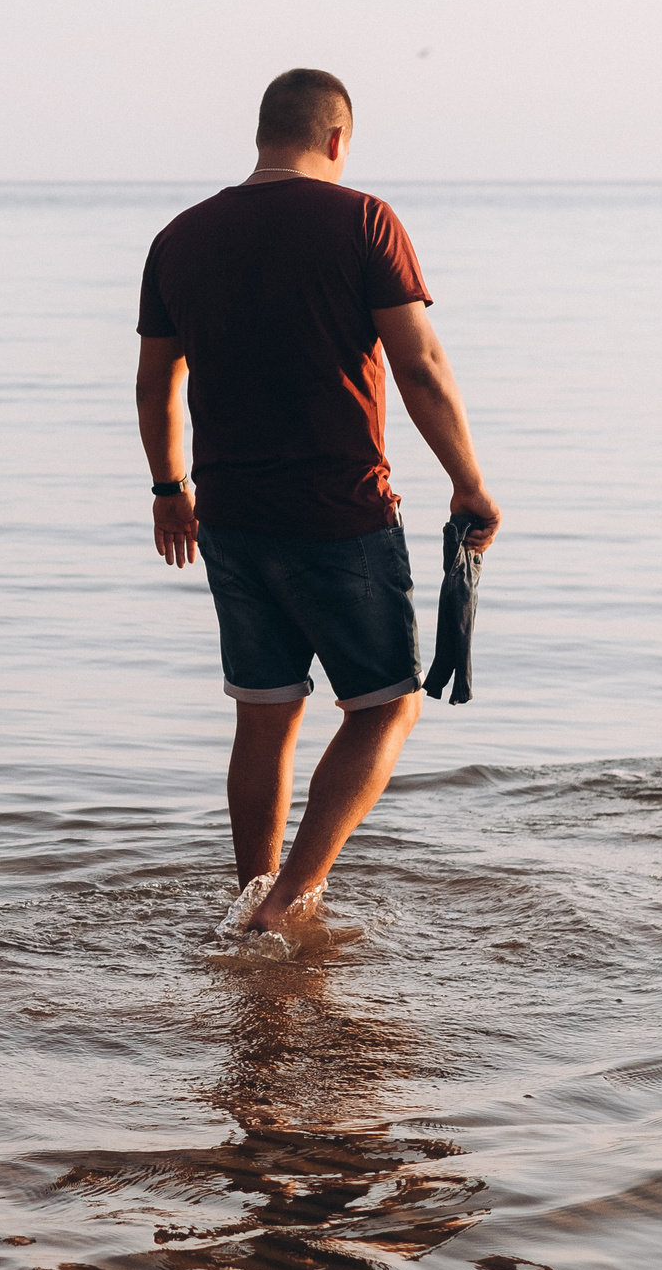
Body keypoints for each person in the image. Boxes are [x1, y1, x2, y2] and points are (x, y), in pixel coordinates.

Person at [136, 68, 501, 935]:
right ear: (337, 138)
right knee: (386, 706)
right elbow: (418, 366)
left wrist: (168, 487)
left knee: (265, 717)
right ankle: (288, 901)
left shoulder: (179, 237)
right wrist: (470, 480)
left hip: (227, 515)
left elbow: (157, 384)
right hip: (340, 513)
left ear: (263, 131)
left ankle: (251, 896)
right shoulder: (364, 219)